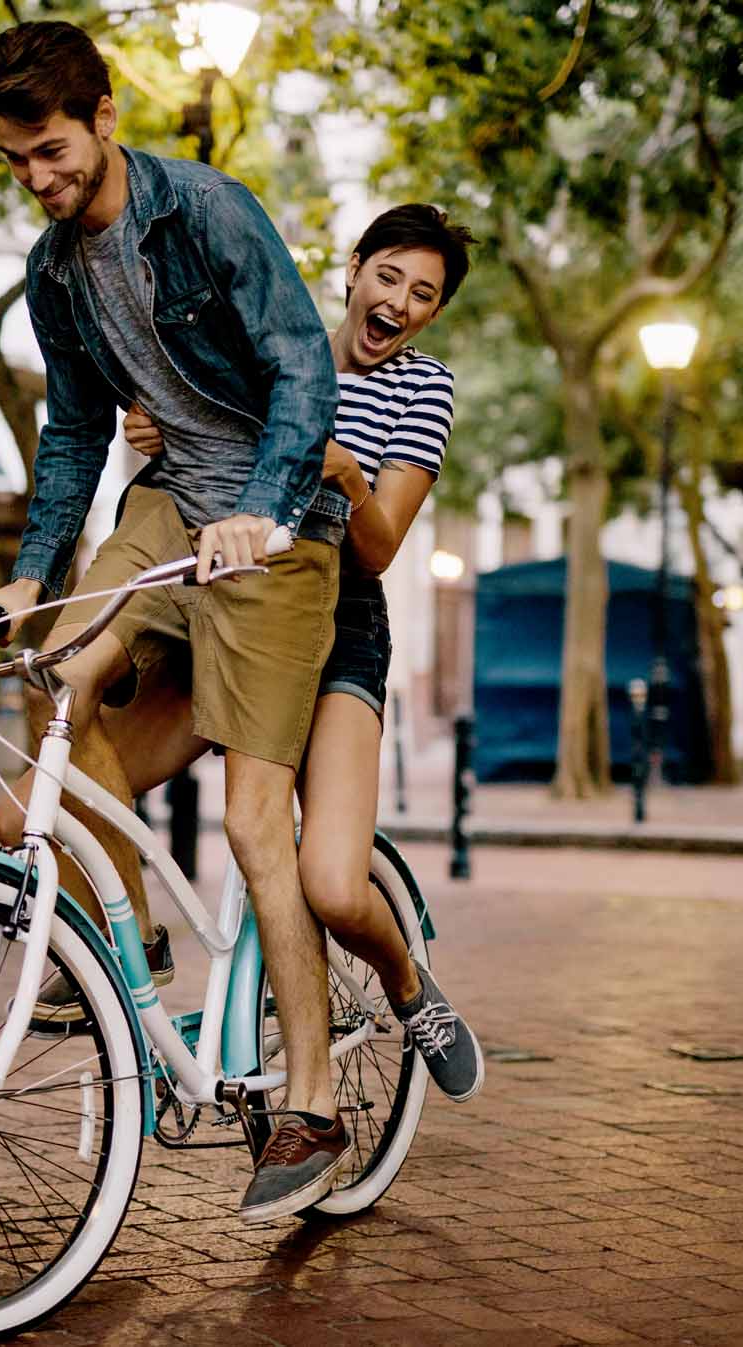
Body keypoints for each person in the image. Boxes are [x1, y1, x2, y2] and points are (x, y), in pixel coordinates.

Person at [0, 20, 350, 1224]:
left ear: (105, 115)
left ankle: (317, 1097)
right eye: (16, 160)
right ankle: (135, 961)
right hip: (163, 511)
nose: (38, 177)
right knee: (59, 717)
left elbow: (301, 368)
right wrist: (33, 575)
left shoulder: (210, 212)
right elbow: (76, 430)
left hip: (271, 535)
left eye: (51, 150)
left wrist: (266, 508)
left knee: (251, 822)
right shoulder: (51, 272)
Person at [112, 205, 488, 1112]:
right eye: (389, 276)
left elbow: (381, 546)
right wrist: (155, 431)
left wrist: (347, 473)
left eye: (423, 294)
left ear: (433, 315)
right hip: (238, 603)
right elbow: (198, 444)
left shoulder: (421, 389)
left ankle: (407, 984)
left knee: (330, 880)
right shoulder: (271, 353)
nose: (399, 301)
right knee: (102, 778)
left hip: (343, 619)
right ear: (354, 269)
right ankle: (140, 955)